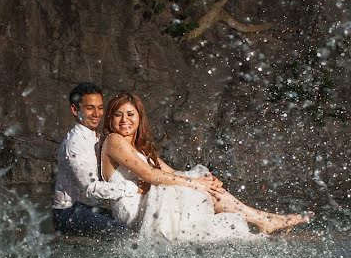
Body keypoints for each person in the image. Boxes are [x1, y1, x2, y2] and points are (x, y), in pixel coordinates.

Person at [100, 92, 311, 242]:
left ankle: (264, 219)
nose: (125, 120)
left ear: (139, 118)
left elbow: (170, 173)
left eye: (130, 114)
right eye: (119, 114)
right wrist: (196, 183)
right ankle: (264, 220)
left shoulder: (139, 146)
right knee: (195, 185)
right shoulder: (114, 140)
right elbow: (150, 174)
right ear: (111, 117)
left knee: (201, 183)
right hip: (135, 211)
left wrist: (204, 181)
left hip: (148, 200)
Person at [52, 82, 138, 239]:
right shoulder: (75, 143)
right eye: (90, 108)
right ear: (74, 110)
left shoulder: (96, 137)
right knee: (127, 237)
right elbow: (90, 189)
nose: (97, 113)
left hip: (89, 207)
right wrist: (130, 188)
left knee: (135, 225)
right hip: (68, 213)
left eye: (100, 107)